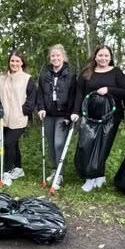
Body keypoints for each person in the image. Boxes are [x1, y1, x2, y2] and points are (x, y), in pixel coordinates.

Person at [71, 45, 125, 192]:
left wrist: (109, 90)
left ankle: (96, 176)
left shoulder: (116, 72)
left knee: (103, 146)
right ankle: (90, 175)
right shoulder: (87, 73)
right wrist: (76, 111)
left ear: (110, 57)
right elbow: (79, 93)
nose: (103, 58)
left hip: (110, 117)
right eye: (100, 55)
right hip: (89, 116)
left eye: (106, 56)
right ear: (95, 57)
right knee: (87, 145)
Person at [0, 51, 37, 186]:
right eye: (12, 61)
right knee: (14, 144)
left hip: (19, 118)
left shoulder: (27, 79)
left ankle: (7, 171)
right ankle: (18, 168)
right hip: (4, 117)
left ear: (22, 62)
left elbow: (32, 98)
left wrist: (25, 111)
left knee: (8, 143)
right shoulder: (2, 78)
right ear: (9, 62)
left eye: (17, 61)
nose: (14, 64)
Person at [36, 44, 76, 189]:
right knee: (51, 144)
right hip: (48, 114)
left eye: (58, 55)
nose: (55, 58)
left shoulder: (70, 74)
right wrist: (40, 108)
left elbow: (73, 95)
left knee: (59, 143)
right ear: (50, 57)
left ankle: (60, 174)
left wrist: (69, 115)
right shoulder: (45, 74)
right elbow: (40, 93)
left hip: (62, 115)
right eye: (53, 56)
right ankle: (54, 170)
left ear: (63, 57)